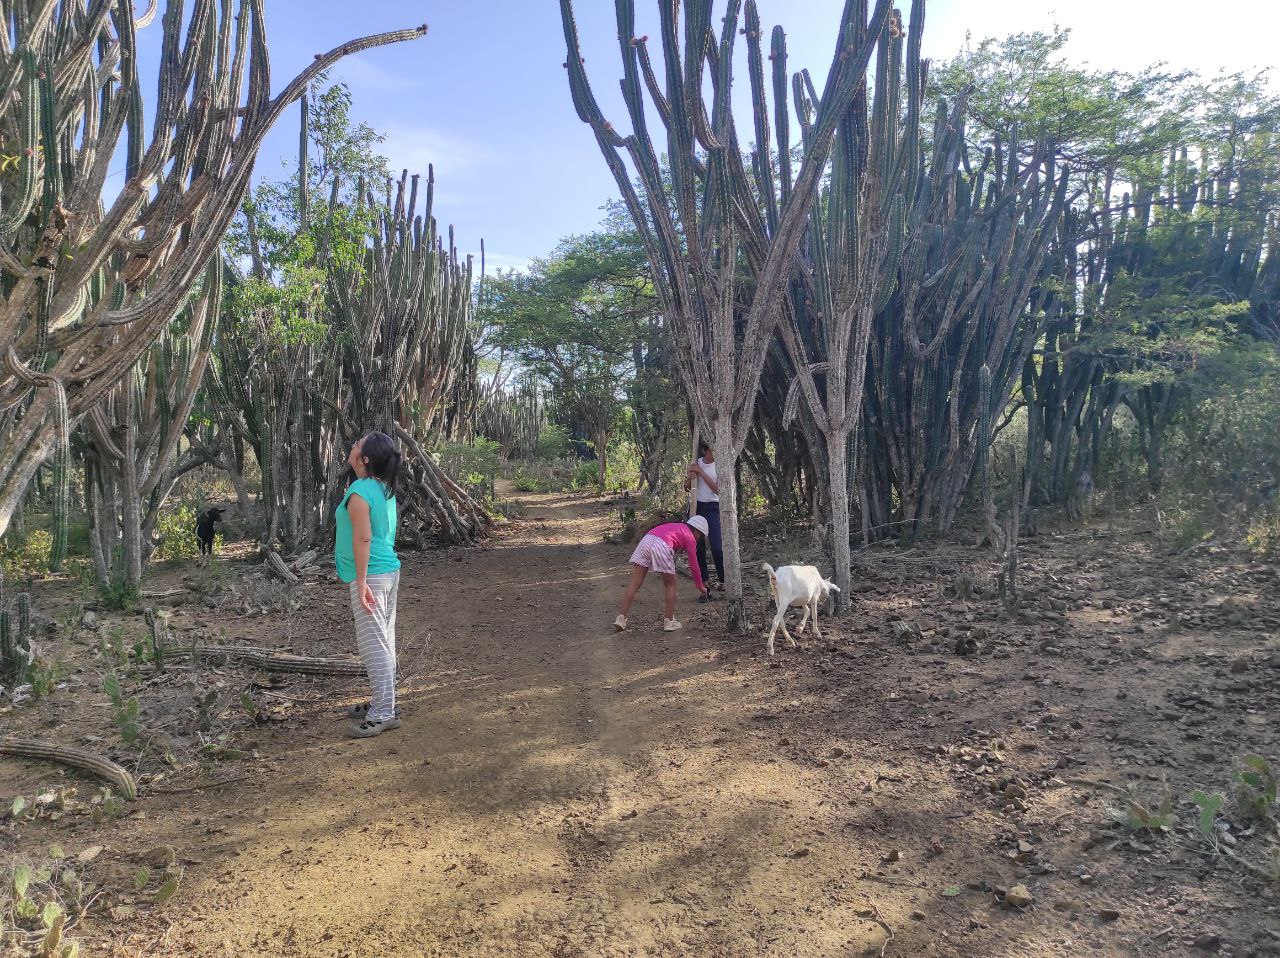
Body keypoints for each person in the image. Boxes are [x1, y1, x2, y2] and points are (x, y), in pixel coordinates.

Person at [335, 431, 403, 738]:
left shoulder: (361, 492)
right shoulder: (380, 487)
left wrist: (361, 582)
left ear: (364, 459)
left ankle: (383, 714)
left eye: (357, 445)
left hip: (371, 575)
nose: (352, 445)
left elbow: (363, 537)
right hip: (386, 571)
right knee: (383, 641)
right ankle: (383, 702)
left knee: (373, 644)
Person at [614, 515, 710, 632]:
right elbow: (694, 564)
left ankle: (621, 617)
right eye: (700, 535)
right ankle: (669, 621)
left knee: (635, 583)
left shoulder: (677, 526)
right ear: (697, 530)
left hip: (647, 540)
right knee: (670, 585)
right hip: (662, 545)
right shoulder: (690, 538)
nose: (698, 538)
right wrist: (700, 586)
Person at [686, 442, 725, 599]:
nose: (713, 454)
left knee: (717, 547)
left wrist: (701, 473)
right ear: (704, 451)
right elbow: (686, 487)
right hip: (697, 506)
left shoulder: (719, 465)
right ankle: (705, 586)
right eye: (711, 451)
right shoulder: (695, 463)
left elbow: (718, 489)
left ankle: (724, 579)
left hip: (713, 507)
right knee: (698, 548)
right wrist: (690, 477)